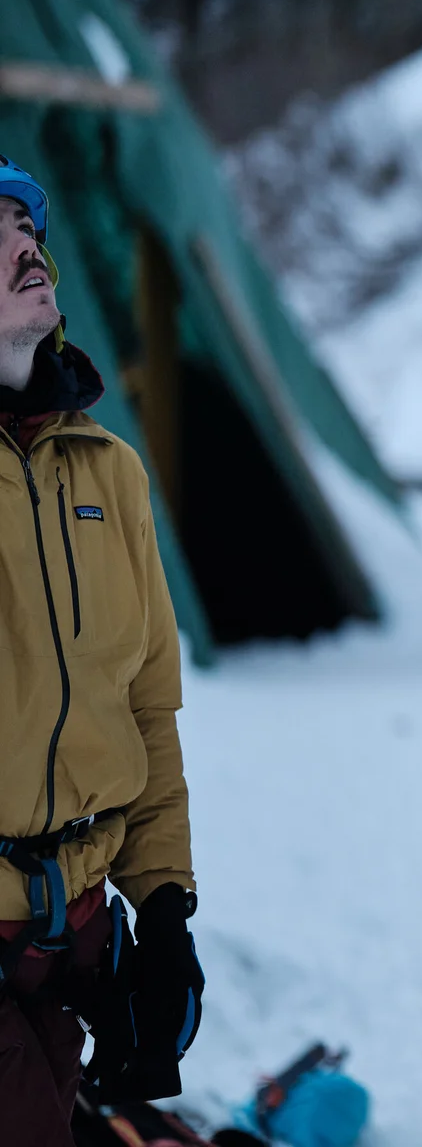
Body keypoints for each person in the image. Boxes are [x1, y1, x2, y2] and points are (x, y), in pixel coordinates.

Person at [0, 155, 204, 1140]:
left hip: (75, 945)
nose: (26, 242)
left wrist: (163, 914)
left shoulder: (111, 471)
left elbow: (147, 706)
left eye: (27, 224)